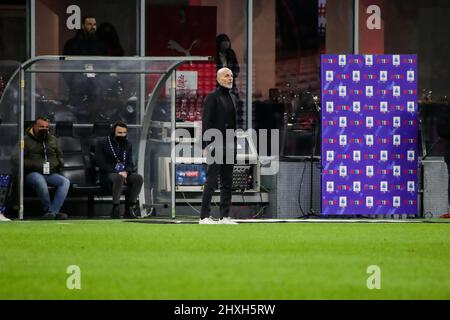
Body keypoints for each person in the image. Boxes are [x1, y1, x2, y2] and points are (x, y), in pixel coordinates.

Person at [199, 68, 238, 224]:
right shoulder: (212, 97)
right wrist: (206, 144)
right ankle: (204, 216)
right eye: (227, 76)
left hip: (230, 143)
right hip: (215, 143)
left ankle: (224, 216)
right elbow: (206, 121)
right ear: (218, 79)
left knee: (227, 182)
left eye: (231, 76)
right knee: (211, 180)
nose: (230, 78)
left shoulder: (233, 98)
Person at [95, 121, 143, 219]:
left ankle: (130, 208)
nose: (122, 135)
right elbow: (100, 163)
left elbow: (130, 162)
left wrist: (127, 171)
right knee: (119, 177)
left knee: (138, 178)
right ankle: (115, 208)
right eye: (119, 133)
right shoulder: (102, 143)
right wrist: (118, 172)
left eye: (124, 133)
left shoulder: (128, 144)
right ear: (114, 132)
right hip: (108, 173)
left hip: (124, 172)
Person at [24, 117, 69, 220]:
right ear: (34, 126)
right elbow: (16, 158)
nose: (44, 129)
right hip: (32, 173)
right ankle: (49, 210)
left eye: (46, 127)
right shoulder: (25, 140)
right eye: (41, 127)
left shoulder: (53, 139)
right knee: (40, 180)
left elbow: (60, 155)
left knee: (65, 182)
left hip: (50, 172)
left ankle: (52, 212)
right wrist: (34, 164)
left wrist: (58, 163)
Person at [216, 34, 240, 98]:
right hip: (219, 84)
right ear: (219, 43)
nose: (227, 43)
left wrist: (231, 74)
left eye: (228, 41)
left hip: (230, 84)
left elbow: (237, 68)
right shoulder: (215, 54)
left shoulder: (231, 53)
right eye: (224, 41)